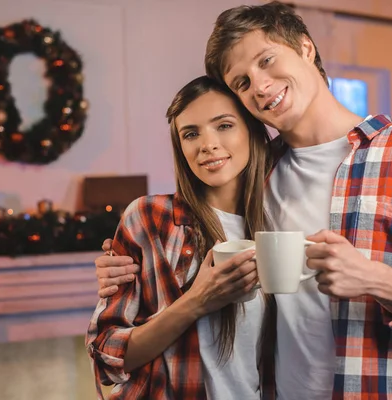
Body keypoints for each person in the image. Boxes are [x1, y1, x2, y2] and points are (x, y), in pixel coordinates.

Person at [94, 2, 392, 399]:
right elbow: (183, 234)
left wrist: (381, 281)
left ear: (305, 49)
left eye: (267, 60)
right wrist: (122, 264)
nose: (261, 86)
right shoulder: (255, 172)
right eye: (242, 83)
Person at [86, 76, 276, 400]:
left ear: (251, 130)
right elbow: (106, 356)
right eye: (191, 133)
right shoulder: (150, 218)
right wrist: (196, 302)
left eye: (224, 125)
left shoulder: (279, 225)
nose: (207, 144)